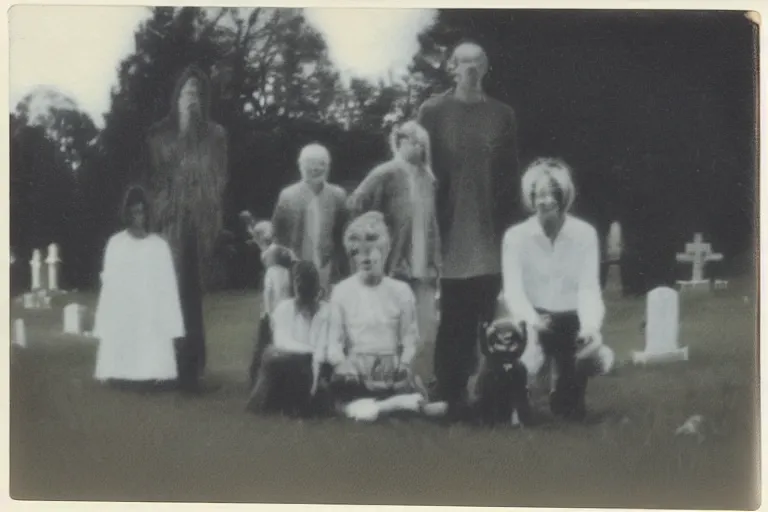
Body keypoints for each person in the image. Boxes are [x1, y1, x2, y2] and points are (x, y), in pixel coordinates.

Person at [416, 40, 521, 416]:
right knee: (453, 318)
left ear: (486, 66)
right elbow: (417, 167)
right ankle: (448, 390)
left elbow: (510, 176)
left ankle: (493, 392)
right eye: (463, 62)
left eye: (477, 61)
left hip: (489, 233)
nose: (470, 68)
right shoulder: (432, 112)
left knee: (489, 314)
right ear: (452, 68)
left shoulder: (502, 114)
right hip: (448, 231)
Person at [502, 158, 611, 421]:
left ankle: (571, 384)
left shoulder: (584, 234)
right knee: (521, 365)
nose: (546, 201)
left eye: (553, 194)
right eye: (539, 195)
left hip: (571, 319)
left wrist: (589, 328)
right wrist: (532, 320)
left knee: (571, 406)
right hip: (533, 318)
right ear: (531, 198)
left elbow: (588, 288)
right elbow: (513, 291)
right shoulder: (515, 237)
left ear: (564, 197)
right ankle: (522, 396)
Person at [145, 65, 228, 395]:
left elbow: (220, 177)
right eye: (187, 92)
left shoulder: (215, 135)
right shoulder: (158, 136)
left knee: (191, 296)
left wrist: (207, 211)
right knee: (166, 294)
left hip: (200, 224)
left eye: (198, 93)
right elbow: (151, 181)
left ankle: (191, 370)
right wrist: (162, 212)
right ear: (177, 97)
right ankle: (162, 367)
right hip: (167, 225)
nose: (192, 98)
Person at [326, 212, 447, 422]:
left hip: (390, 371)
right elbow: (333, 341)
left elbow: (410, 337)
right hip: (356, 374)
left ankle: (384, 407)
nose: (364, 258)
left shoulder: (400, 292)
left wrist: (404, 364)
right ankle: (396, 408)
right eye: (356, 253)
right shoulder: (342, 292)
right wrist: (341, 364)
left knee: (404, 395)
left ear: (385, 251)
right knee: (341, 399)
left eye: (370, 251)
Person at [347, 120, 441, 347]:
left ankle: (409, 375)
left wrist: (437, 259)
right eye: (415, 143)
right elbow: (355, 204)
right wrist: (371, 235)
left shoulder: (428, 178)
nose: (420, 149)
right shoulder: (385, 172)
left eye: (423, 145)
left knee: (421, 328)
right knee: (388, 324)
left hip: (423, 264)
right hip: (394, 262)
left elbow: (432, 222)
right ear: (400, 142)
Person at [93, 185, 184, 388]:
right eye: (134, 212)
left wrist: (166, 316)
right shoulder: (116, 244)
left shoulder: (158, 246)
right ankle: (119, 372)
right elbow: (110, 284)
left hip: (150, 305)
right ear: (127, 214)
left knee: (149, 333)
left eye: (142, 211)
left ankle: (153, 373)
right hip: (126, 305)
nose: (138, 217)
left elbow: (167, 285)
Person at [246, 261, 341, 418]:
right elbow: (283, 342)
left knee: (275, 357)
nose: (301, 286)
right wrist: (311, 352)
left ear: (315, 285)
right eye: (297, 281)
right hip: (293, 364)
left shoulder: (330, 312)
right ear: (293, 286)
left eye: (306, 281)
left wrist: (322, 359)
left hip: (321, 365)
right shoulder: (284, 309)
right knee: (272, 355)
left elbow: (333, 347)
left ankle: (310, 399)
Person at [272, 143, 349, 295]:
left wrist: (340, 266)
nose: (316, 168)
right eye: (310, 163)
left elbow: (342, 232)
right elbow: (278, 234)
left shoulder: (338, 195)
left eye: (322, 163)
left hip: (326, 265)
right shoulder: (287, 196)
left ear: (328, 166)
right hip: (296, 265)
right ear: (300, 166)